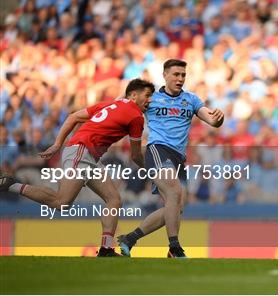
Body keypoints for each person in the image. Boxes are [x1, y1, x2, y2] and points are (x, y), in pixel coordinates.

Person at [0, 79, 155, 256]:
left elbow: (73, 117)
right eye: (147, 95)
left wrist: (58, 144)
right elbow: (135, 155)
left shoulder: (111, 104)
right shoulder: (136, 116)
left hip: (86, 153)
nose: (150, 100)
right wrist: (152, 171)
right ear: (133, 95)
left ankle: (106, 249)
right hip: (82, 152)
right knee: (62, 202)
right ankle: (11, 185)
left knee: (114, 199)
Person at [117, 59, 224, 258]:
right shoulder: (151, 98)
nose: (180, 79)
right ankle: (174, 248)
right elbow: (123, 104)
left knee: (176, 206)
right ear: (165, 75)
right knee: (175, 192)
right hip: (158, 149)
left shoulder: (191, 100)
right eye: (176, 74)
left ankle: (130, 239)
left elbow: (212, 120)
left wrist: (219, 118)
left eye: (183, 75)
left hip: (178, 157)